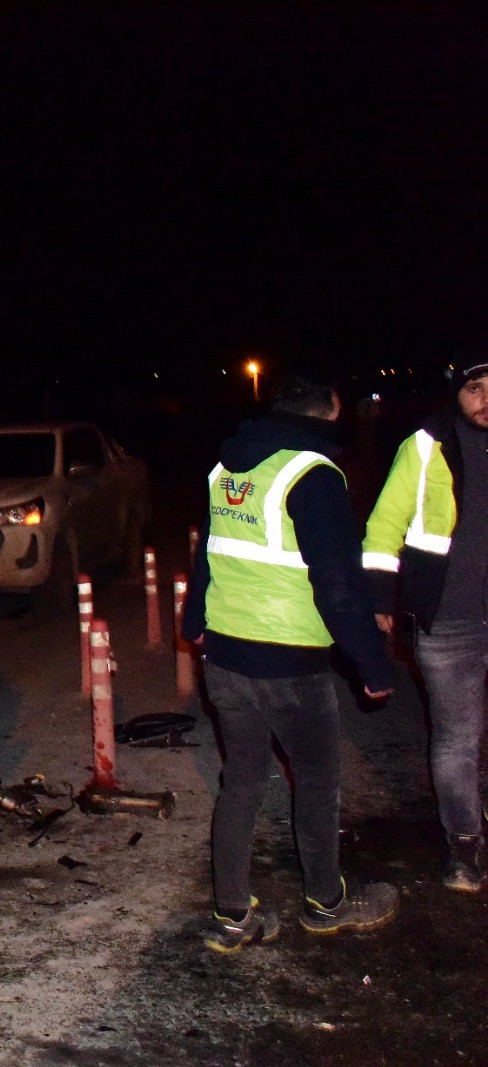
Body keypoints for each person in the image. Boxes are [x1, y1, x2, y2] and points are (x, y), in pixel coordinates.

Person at [183, 374, 397, 953]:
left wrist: (192, 623)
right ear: (327, 414)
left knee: (243, 783)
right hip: (290, 662)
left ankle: (232, 918)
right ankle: (326, 903)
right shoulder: (313, 474)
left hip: (226, 655)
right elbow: (338, 583)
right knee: (320, 781)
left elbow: (209, 550)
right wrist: (372, 665)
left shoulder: (228, 468)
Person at [363, 358, 488, 891]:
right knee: (458, 738)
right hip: (449, 619)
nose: (486, 398)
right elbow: (382, 527)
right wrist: (378, 598)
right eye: (477, 388)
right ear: (458, 393)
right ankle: (464, 844)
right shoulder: (425, 445)